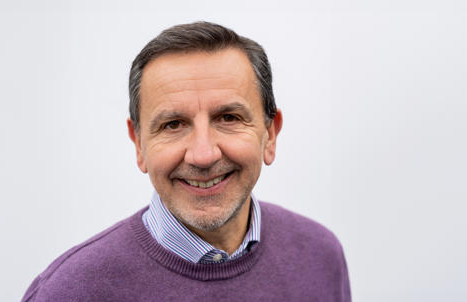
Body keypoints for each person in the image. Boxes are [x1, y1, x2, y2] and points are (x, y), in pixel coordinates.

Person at [21, 21, 351, 301]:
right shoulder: (70, 291)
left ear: (270, 135)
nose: (204, 155)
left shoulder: (320, 256)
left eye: (229, 117)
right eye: (173, 124)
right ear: (139, 144)